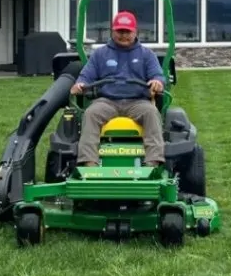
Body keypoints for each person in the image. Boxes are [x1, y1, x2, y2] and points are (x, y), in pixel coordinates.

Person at [71, 10, 166, 166]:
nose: (123, 35)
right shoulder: (100, 54)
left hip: (138, 101)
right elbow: (86, 76)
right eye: (119, 31)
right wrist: (80, 84)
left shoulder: (147, 55)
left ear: (136, 32)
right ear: (112, 31)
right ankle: (89, 163)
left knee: (152, 112)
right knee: (90, 113)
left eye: (127, 31)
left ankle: (153, 162)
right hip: (107, 101)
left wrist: (157, 82)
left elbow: (158, 76)